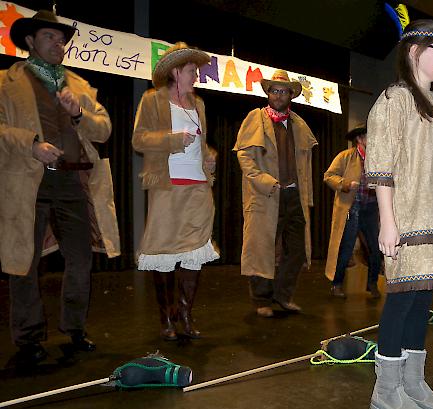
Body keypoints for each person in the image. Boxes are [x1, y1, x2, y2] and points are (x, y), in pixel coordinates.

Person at [365, 19, 433, 409]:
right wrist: (387, 222)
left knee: (424, 299)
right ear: (414, 51)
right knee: (402, 298)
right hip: (408, 218)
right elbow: (381, 167)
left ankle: (413, 381)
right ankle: (385, 389)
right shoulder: (393, 100)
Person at [0, 10, 119, 364]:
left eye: (61, 38)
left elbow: (104, 130)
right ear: (30, 41)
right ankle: (29, 338)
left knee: (81, 260)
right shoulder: (6, 82)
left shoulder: (79, 86)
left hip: (72, 180)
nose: (58, 43)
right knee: (25, 262)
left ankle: (75, 329)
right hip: (28, 180)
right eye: (50, 37)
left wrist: (80, 114)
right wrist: (30, 142)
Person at [132, 42, 219, 340]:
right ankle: (166, 318)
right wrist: (171, 139)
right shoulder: (152, 100)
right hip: (167, 187)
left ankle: (185, 316)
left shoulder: (199, 104)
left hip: (197, 187)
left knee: (194, 253)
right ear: (176, 71)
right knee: (164, 253)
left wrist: (208, 154)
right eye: (192, 70)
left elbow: (199, 142)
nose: (196, 75)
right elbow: (139, 139)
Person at [233, 70, 317, 318]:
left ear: (291, 95)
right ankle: (261, 299)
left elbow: (306, 165)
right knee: (262, 247)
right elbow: (245, 157)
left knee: (297, 249)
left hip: (294, 196)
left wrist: (307, 197)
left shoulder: (299, 125)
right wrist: (265, 182)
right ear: (268, 93)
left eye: (283, 91)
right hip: (266, 194)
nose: (278, 95)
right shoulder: (255, 118)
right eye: (274, 91)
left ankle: (283, 295)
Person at [324, 125, 381, 299]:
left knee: (376, 248)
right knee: (346, 248)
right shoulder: (346, 156)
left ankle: (372, 283)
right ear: (360, 139)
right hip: (352, 207)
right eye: (369, 136)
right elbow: (329, 176)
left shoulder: (378, 159)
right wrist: (345, 184)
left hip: (371, 208)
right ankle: (337, 284)